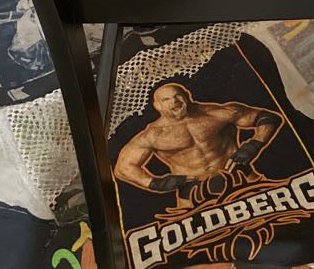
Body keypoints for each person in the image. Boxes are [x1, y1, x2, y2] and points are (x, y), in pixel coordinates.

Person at [113, 84, 283, 199]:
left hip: (240, 175)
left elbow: (266, 118)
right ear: (157, 106)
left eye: (178, 96)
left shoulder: (215, 113)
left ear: (187, 96)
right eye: (166, 100)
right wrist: (157, 183)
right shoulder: (153, 135)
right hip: (192, 190)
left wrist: (254, 144)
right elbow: (123, 168)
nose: (175, 101)